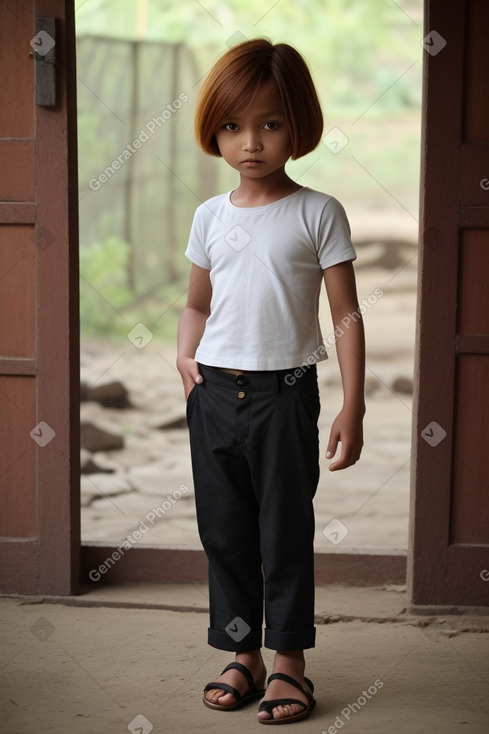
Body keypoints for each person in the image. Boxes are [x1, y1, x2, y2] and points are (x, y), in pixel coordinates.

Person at [176, 38, 365, 725]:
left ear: (298, 126)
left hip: (284, 394)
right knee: (223, 531)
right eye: (231, 126)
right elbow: (195, 303)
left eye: (268, 123)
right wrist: (183, 355)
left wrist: (354, 402)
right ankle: (240, 654)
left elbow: (344, 316)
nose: (249, 142)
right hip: (214, 395)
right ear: (214, 132)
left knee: (282, 530)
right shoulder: (209, 217)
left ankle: (288, 661)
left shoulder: (318, 212)